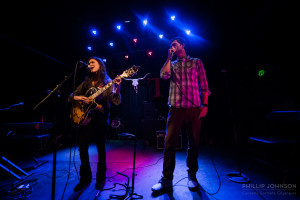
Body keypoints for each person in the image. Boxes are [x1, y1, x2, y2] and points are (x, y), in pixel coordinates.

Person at [152, 37, 210, 192]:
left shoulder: (196, 62)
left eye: (174, 44)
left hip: (193, 108)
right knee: (169, 143)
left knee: (194, 143)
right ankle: (166, 179)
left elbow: (204, 86)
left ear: (182, 45)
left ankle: (192, 175)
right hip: (176, 108)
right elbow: (163, 75)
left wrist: (205, 105)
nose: (172, 47)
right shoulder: (171, 64)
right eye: (170, 45)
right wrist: (168, 57)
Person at [69, 56, 122, 192]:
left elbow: (116, 102)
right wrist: (78, 97)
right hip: (85, 119)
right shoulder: (86, 82)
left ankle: (100, 178)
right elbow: (71, 95)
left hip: (100, 119)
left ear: (100, 65)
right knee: (82, 149)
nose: (89, 64)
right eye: (88, 63)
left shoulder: (108, 81)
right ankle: (85, 178)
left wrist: (117, 88)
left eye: (93, 62)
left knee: (101, 150)